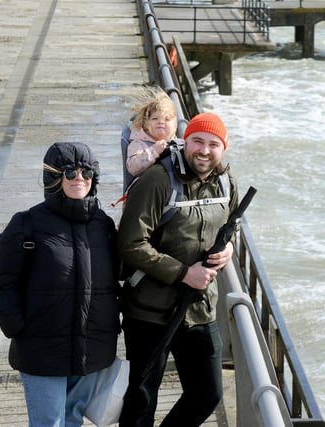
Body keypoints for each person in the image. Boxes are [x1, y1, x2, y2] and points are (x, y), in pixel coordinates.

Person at [117, 112, 239, 427]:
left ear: (223, 148)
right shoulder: (158, 180)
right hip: (149, 311)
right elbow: (130, 244)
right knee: (141, 399)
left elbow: (230, 226)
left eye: (214, 144)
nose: (204, 150)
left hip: (200, 309)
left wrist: (228, 249)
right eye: (197, 140)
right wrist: (183, 273)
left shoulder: (227, 182)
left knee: (207, 394)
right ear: (185, 141)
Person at [0, 142, 121, 427]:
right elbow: (3, 281)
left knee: (72, 420)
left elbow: (117, 277)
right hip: (42, 349)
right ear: (54, 177)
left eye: (86, 171)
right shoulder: (25, 224)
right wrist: (16, 327)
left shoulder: (103, 225)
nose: (79, 178)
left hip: (91, 347)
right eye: (70, 172)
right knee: (48, 422)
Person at [126, 86, 178, 178]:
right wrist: (153, 151)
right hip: (147, 187)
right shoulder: (138, 144)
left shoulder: (177, 143)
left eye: (167, 119)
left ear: (174, 125)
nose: (161, 122)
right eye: (155, 118)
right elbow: (133, 168)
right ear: (146, 122)